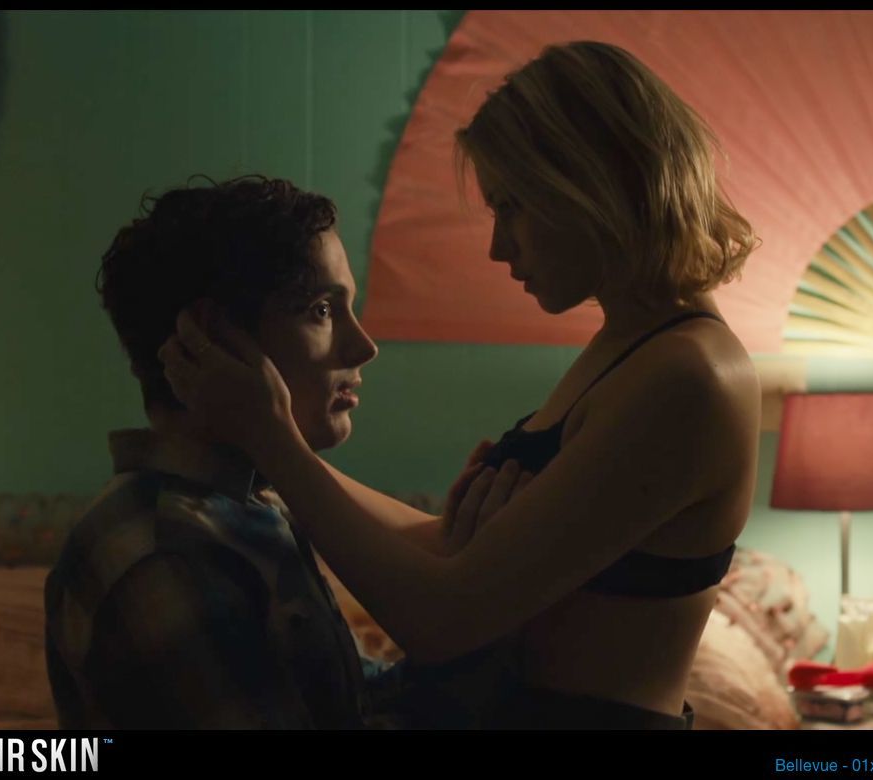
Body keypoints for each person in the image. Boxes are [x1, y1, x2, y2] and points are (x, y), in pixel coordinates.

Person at [160, 40, 761, 729]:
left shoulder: (690, 378)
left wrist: (276, 444)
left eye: (512, 207)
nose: (500, 247)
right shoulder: (630, 348)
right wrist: (268, 449)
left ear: (590, 185)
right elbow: (448, 548)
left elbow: (442, 621)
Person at [44, 174, 520, 729]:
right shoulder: (169, 552)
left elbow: (347, 702)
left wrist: (471, 589)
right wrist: (484, 665)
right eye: (321, 310)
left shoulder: (248, 502)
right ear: (212, 339)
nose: (364, 346)